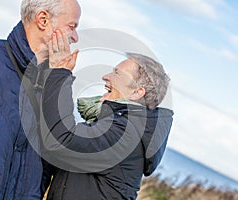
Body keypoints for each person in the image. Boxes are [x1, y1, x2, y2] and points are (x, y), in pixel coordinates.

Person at [0, 0, 81, 199]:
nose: (75, 37)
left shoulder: (53, 94)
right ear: (43, 20)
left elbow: (50, 164)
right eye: (72, 26)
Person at [40, 32, 173, 200]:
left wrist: (58, 73)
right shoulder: (123, 127)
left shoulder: (124, 134)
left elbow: (61, 140)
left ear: (137, 93)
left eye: (117, 73)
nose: (106, 77)